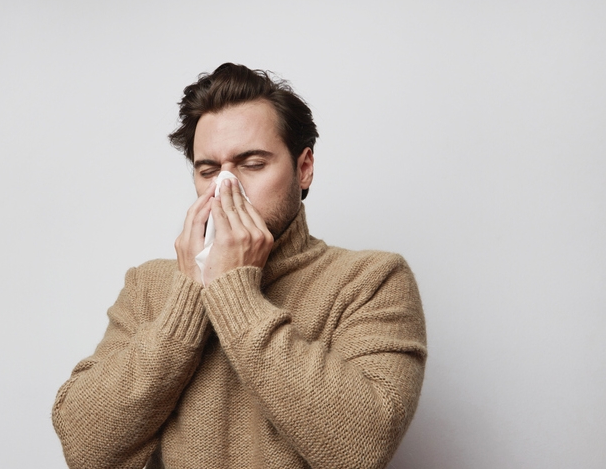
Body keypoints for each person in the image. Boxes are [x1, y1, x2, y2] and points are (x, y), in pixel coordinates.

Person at [52, 62, 427, 469]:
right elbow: (87, 451)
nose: (225, 188)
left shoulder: (371, 280)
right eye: (209, 170)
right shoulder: (149, 285)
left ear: (304, 169)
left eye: (252, 164)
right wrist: (190, 296)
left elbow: (362, 447)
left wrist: (234, 291)